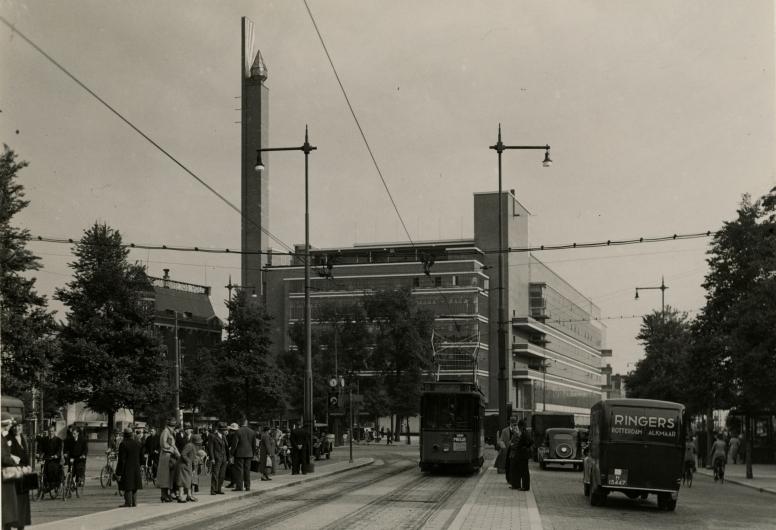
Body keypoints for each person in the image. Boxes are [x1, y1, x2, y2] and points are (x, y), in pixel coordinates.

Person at [2, 414, 30, 530]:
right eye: (16, 426)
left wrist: (28, 466)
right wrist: (18, 465)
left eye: (20, 426)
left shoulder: (23, 438)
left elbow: (26, 455)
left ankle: (21, 526)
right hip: (15, 473)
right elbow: (6, 457)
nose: (18, 428)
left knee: (23, 503)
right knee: (14, 504)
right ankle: (13, 524)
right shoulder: (8, 438)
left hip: (23, 474)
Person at [116, 427, 142, 508]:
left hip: (127, 467)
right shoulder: (137, 443)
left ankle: (128, 502)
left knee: (128, 485)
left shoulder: (123, 444)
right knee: (135, 484)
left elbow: (121, 459)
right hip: (136, 466)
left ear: (124, 435)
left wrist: (119, 471)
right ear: (131, 434)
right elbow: (141, 456)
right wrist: (141, 465)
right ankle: (134, 502)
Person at [157, 418, 179, 502]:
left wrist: (178, 454)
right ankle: (164, 495)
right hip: (166, 456)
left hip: (170, 456)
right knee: (165, 476)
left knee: (169, 476)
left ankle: (167, 494)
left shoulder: (170, 432)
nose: (173, 428)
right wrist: (172, 450)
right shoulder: (166, 432)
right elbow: (163, 444)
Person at [231, 418, 257, 491]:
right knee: (247, 470)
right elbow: (254, 445)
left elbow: (234, 444)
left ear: (240, 423)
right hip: (249, 453)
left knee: (239, 470)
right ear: (247, 423)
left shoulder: (238, 431)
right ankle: (247, 486)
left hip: (239, 454)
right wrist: (253, 454)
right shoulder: (252, 432)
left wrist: (231, 454)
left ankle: (239, 487)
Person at [508, 419, 533, 491]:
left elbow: (529, 442)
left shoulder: (524, 433)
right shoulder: (526, 433)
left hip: (523, 455)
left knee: (524, 472)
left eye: (519, 426)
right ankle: (521, 486)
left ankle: (525, 487)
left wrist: (523, 447)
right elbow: (531, 442)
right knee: (522, 471)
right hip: (522, 455)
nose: (518, 428)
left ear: (521, 426)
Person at [40, 425, 63, 495]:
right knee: (43, 470)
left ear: (54, 431)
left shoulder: (58, 440)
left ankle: (54, 484)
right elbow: (41, 448)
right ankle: (45, 485)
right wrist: (39, 454)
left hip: (55, 460)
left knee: (52, 469)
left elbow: (60, 450)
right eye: (49, 431)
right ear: (48, 432)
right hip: (47, 458)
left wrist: (56, 455)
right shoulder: (44, 440)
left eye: (52, 431)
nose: (51, 433)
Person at [176, 432, 197, 503]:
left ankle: (189, 495)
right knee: (182, 481)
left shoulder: (193, 446)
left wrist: (193, 466)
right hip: (183, 465)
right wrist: (188, 461)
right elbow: (183, 454)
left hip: (187, 465)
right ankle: (180, 496)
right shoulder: (190, 445)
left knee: (189, 480)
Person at [208, 423, 228, 495]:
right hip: (216, 458)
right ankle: (213, 489)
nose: (225, 431)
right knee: (215, 474)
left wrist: (227, 458)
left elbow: (226, 448)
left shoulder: (224, 437)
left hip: (224, 458)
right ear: (220, 430)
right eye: (224, 430)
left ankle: (219, 489)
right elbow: (210, 448)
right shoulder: (212, 436)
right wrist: (212, 458)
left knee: (222, 475)